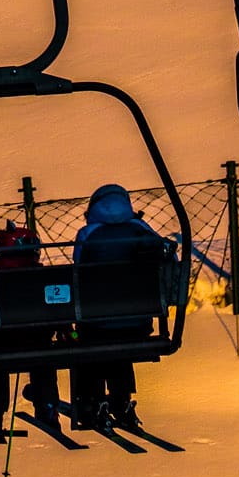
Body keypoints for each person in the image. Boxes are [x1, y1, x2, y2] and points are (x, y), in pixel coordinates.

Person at [68, 183, 165, 432]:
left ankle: (92, 399)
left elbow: (78, 271)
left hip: (96, 326)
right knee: (120, 333)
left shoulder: (88, 234)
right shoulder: (140, 229)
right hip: (137, 324)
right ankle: (120, 399)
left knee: (92, 337)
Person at [0, 222, 65, 437]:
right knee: (44, 354)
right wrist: (66, 330)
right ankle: (48, 406)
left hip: (5, 340)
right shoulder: (39, 273)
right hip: (39, 339)